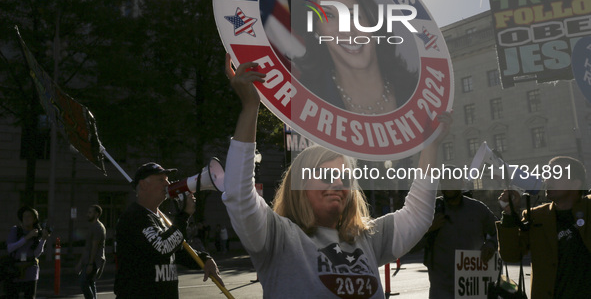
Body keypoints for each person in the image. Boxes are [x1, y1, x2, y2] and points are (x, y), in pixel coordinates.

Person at [222, 55, 451, 298]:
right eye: (325, 174)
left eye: (345, 178)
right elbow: (239, 195)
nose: (338, 183)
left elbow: (418, 214)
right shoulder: (277, 237)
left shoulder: (367, 239)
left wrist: (431, 146)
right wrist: (250, 107)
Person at [289, 0, 418, 114]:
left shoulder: (417, 94)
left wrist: (430, 137)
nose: (347, 30)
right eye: (329, 16)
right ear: (316, 30)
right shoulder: (305, 105)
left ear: (371, 19)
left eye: (353, 14)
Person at [114, 162, 223, 299]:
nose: (167, 184)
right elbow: (163, 247)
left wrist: (204, 259)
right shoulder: (134, 217)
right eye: (161, 180)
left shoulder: (160, 218)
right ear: (143, 185)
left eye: (167, 179)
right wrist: (184, 216)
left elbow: (176, 251)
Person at [497, 156, 591, 298]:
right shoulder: (536, 216)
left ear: (576, 184)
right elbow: (510, 255)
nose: (548, 179)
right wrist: (509, 214)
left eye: (556, 174)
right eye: (547, 174)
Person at [419, 169, 498, 299]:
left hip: (474, 287)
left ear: (461, 184)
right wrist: (428, 229)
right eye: (445, 182)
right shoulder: (429, 211)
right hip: (441, 289)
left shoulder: (477, 209)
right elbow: (410, 245)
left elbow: (498, 231)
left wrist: (490, 244)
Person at [5, 206, 51, 299]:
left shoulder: (37, 233)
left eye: (29, 216)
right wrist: (27, 237)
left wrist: (43, 240)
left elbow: (36, 254)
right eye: (24, 216)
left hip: (31, 270)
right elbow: (10, 248)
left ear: (34, 219)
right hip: (15, 270)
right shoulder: (16, 230)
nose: (27, 218)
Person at [75, 205, 106, 299]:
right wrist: (80, 263)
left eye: (90, 212)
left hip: (94, 261)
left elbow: (94, 247)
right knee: (90, 282)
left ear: (96, 214)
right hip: (88, 260)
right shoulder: (92, 226)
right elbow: (87, 247)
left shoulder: (98, 227)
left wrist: (90, 264)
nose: (87, 215)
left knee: (83, 281)